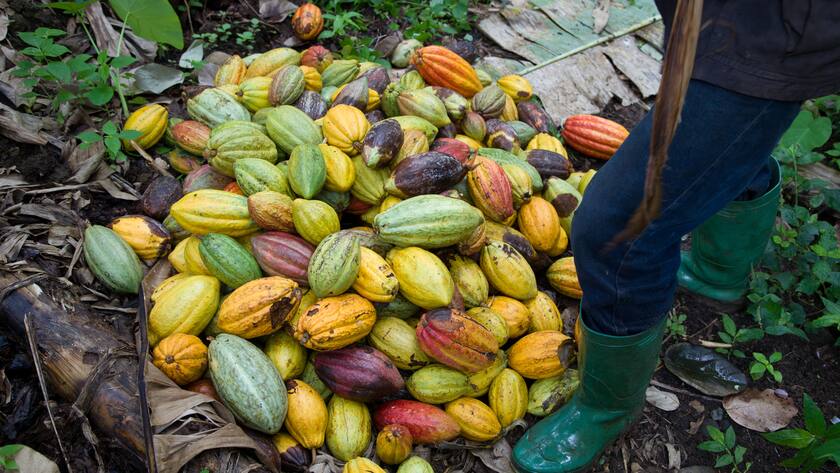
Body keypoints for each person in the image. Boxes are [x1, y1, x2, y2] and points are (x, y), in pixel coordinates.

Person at [512, 1, 840, 472]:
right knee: (729, 147)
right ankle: (717, 275)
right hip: (732, 22)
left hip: (772, 31)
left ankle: (607, 408)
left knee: (617, 229)